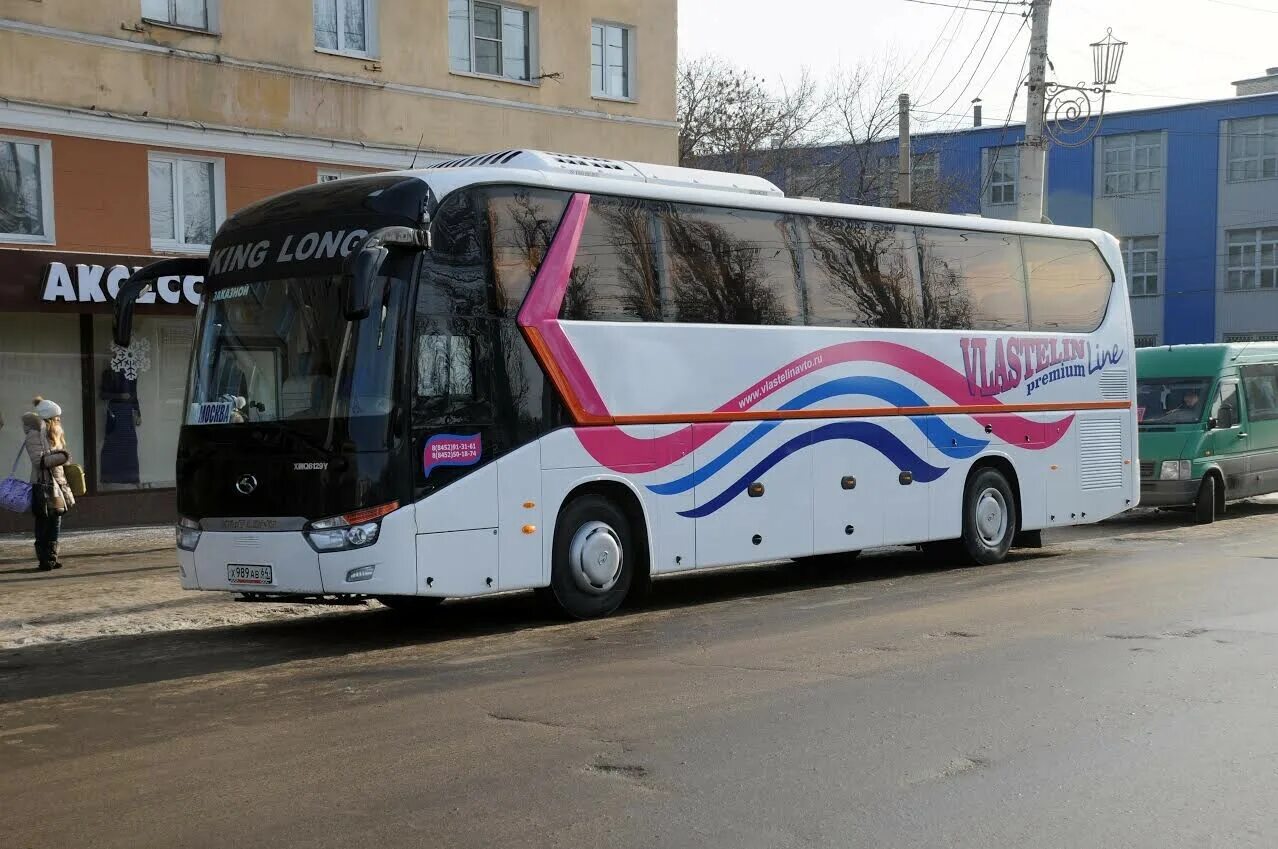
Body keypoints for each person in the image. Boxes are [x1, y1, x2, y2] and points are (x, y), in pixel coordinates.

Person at [22, 397, 76, 571]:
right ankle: (44, 559)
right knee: (43, 523)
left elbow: (56, 460)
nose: (59, 421)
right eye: (57, 418)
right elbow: (39, 461)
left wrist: (64, 459)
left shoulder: (53, 433)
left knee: (56, 521)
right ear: (49, 419)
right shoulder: (34, 434)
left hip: (57, 483)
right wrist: (63, 456)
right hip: (42, 484)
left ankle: (52, 557)